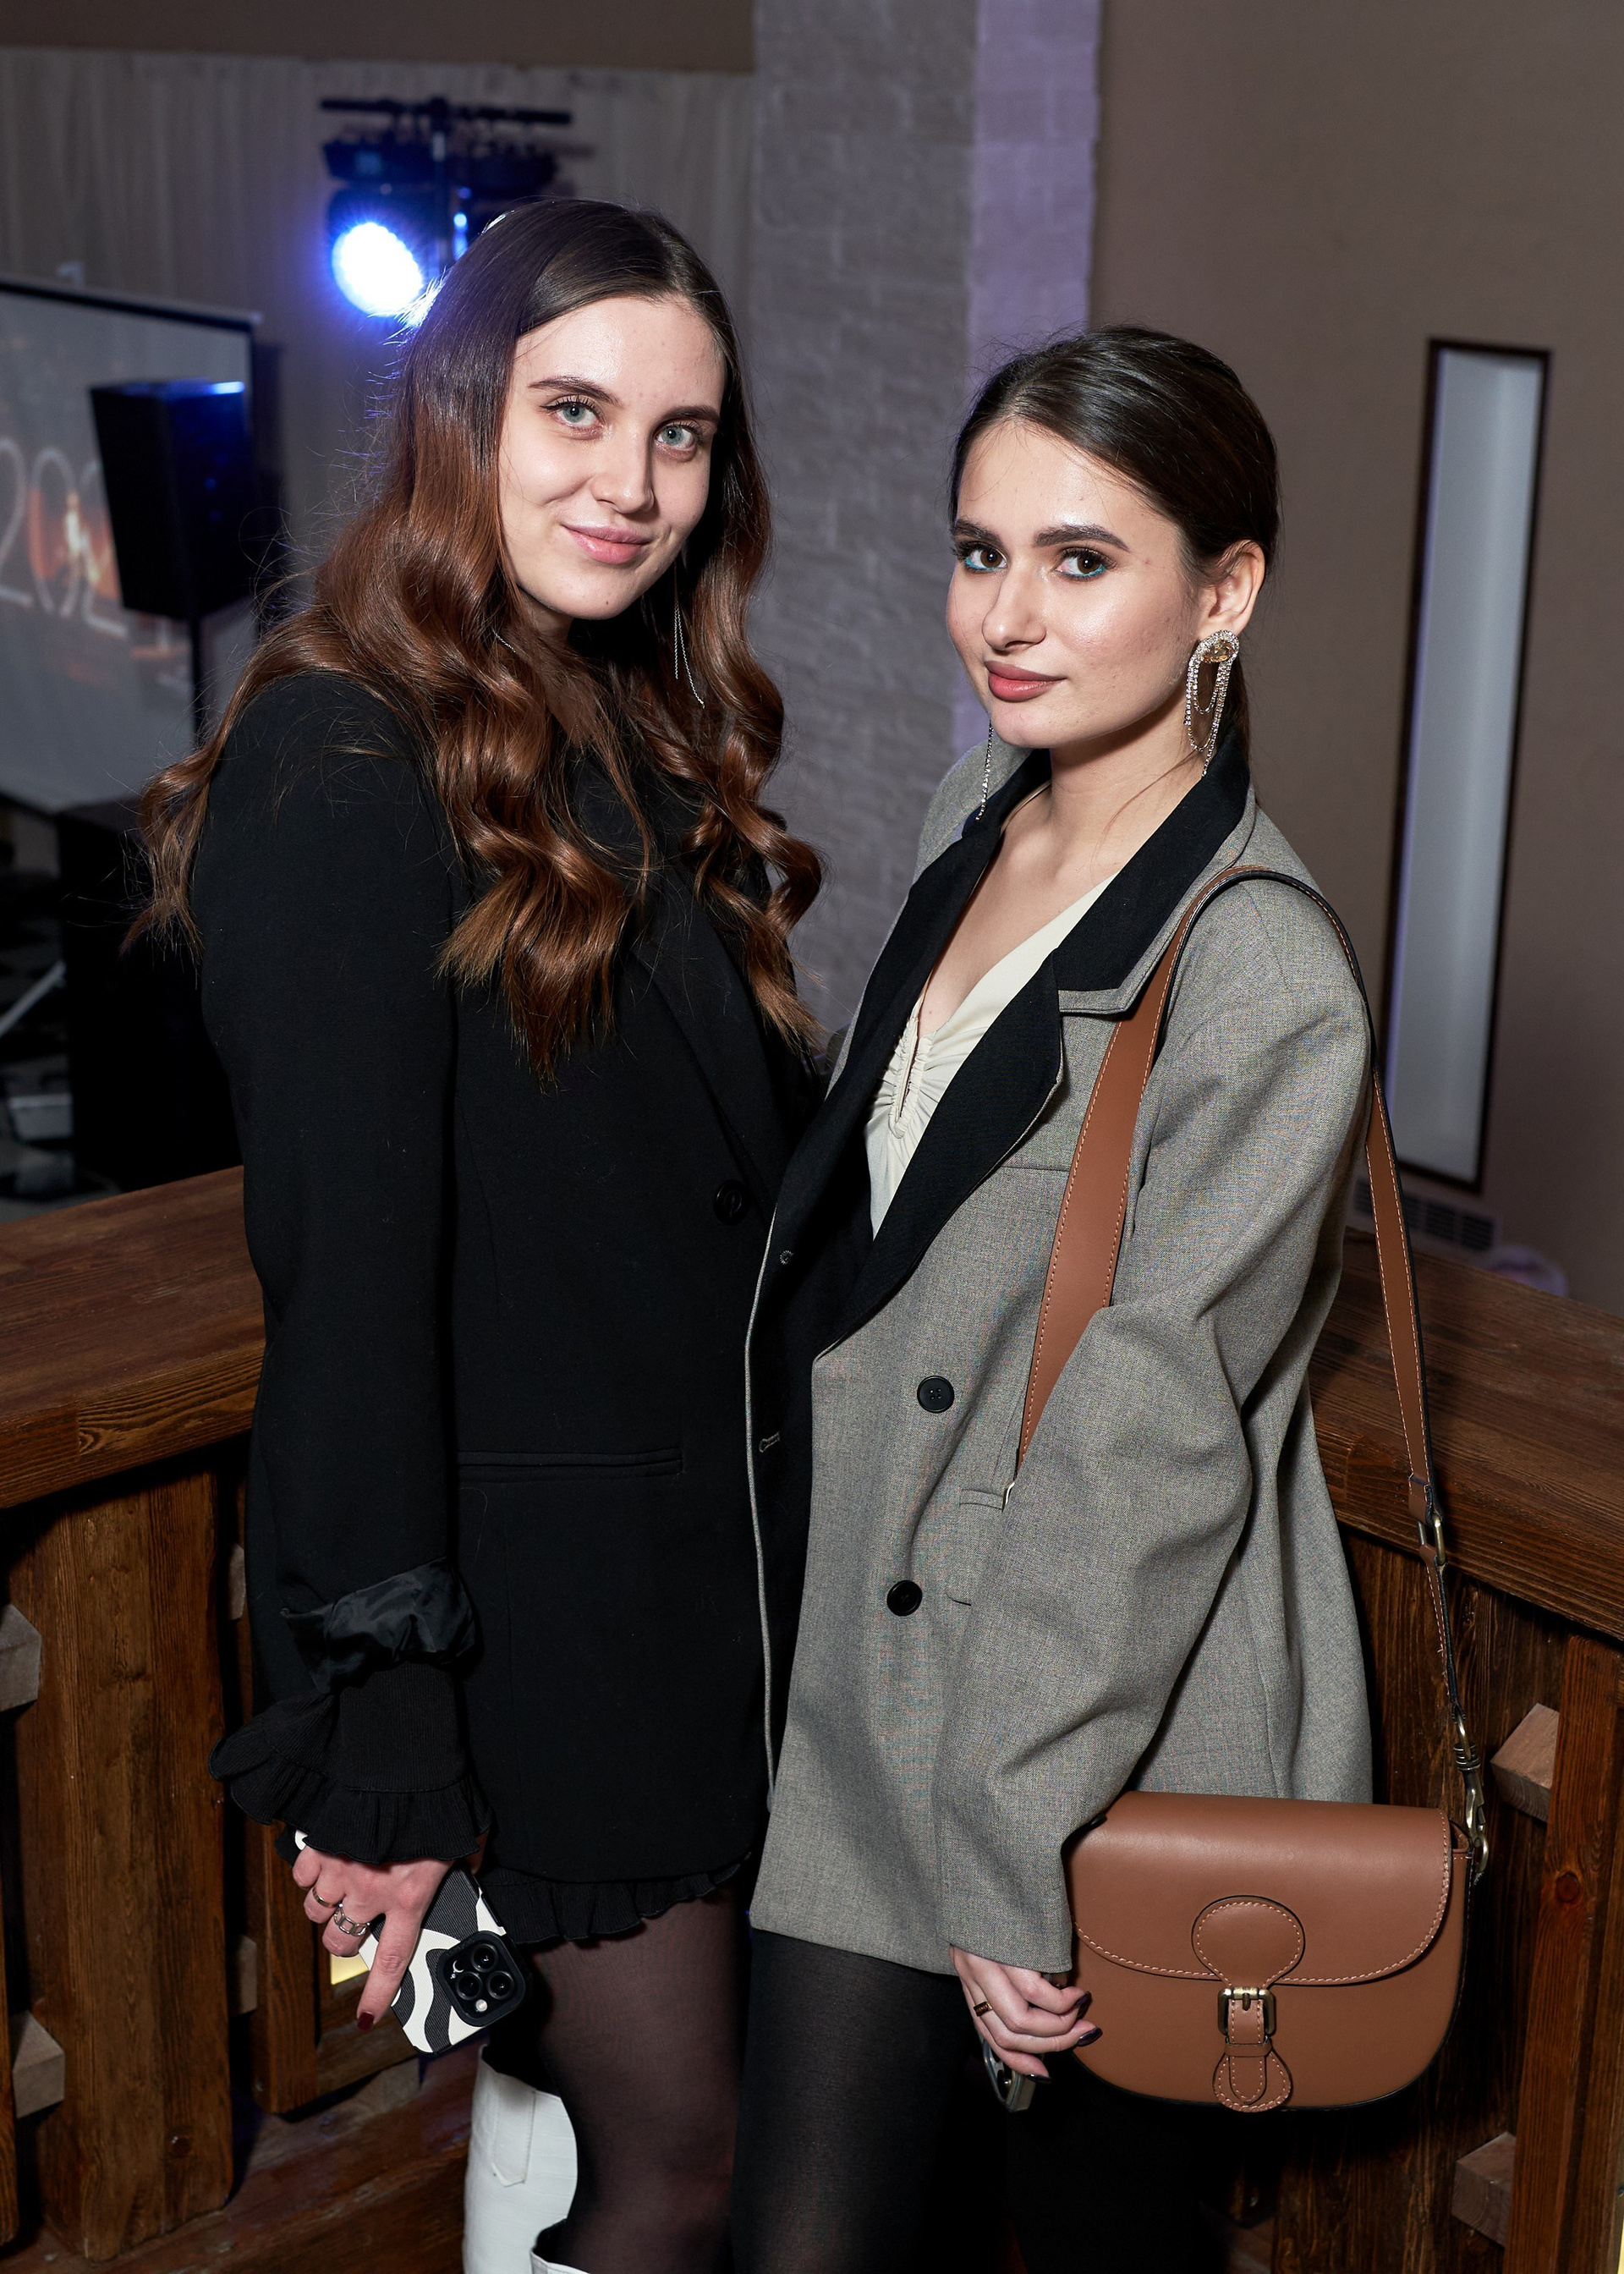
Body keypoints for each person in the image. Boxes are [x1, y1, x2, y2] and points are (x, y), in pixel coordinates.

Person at [139, 200, 822, 2274]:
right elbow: (345, 1296)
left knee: (695, 2152)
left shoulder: (614, 702)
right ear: (460, 413)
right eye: (576, 413)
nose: (632, 484)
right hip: (533, 1641)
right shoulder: (340, 748)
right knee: (684, 2169)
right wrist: (391, 1733)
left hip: (689, 1602)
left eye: (681, 435)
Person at [730, 328, 1374, 2273]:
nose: (1006, 616)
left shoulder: (1262, 975)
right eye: (980, 550)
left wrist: (1014, 1842)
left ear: (1224, 591)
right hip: (862, 1658)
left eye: (1081, 561)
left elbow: (1150, 1435)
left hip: (1064, 1738)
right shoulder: (974, 810)